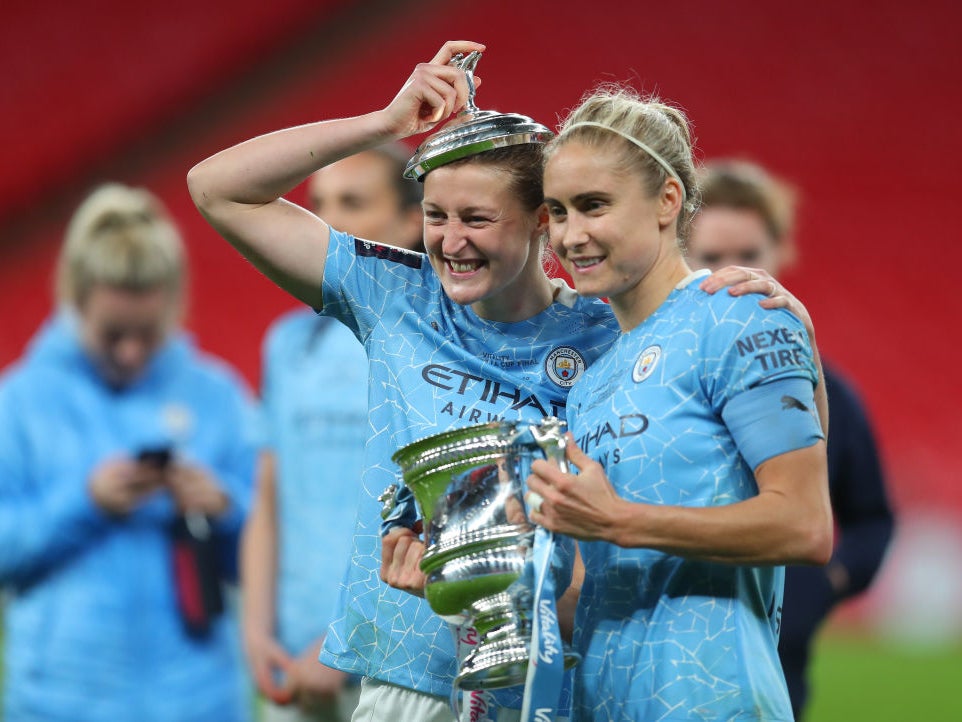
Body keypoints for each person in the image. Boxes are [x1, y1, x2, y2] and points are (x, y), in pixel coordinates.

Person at [188, 40, 621, 721]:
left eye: (477, 218)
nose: (451, 241)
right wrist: (383, 125)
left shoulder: (603, 336)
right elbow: (217, 188)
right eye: (436, 216)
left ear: (542, 220)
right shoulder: (394, 292)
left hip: (547, 682)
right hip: (405, 681)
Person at [525, 87, 835, 720]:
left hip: (712, 699)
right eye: (557, 212)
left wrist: (619, 520)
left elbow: (804, 524)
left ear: (668, 200)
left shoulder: (739, 316)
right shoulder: (590, 382)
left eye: (594, 206)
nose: (571, 235)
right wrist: (473, 580)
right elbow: (595, 586)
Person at [0, 183, 257, 721]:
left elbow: (274, 556)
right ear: (74, 298)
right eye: (113, 333)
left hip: (201, 700)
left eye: (147, 332)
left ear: (173, 302)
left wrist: (224, 508)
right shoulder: (20, 401)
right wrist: (86, 502)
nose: (131, 351)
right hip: (58, 703)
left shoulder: (218, 396)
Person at [687, 159, 895, 719]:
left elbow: (873, 518)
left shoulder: (830, 395)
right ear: (680, 254)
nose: (733, 273)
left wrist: (825, 583)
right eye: (710, 257)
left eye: (749, 256)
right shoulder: (641, 378)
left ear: (780, 254)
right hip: (664, 660)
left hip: (779, 670)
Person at [241, 144, 424, 722]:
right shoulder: (287, 344)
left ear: (412, 222)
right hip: (291, 664)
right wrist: (254, 628)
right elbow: (269, 498)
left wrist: (350, 642)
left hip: (393, 661)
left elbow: (428, 510)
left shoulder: (434, 345)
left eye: (352, 202)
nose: (325, 222)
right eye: (317, 204)